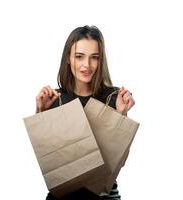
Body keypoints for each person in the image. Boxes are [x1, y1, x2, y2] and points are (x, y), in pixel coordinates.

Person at [35, 25, 135, 200]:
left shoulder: (113, 97)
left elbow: (120, 163)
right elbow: (48, 161)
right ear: (68, 58)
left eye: (94, 57)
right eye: (79, 57)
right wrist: (41, 113)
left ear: (101, 60)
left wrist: (122, 115)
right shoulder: (55, 98)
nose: (86, 65)